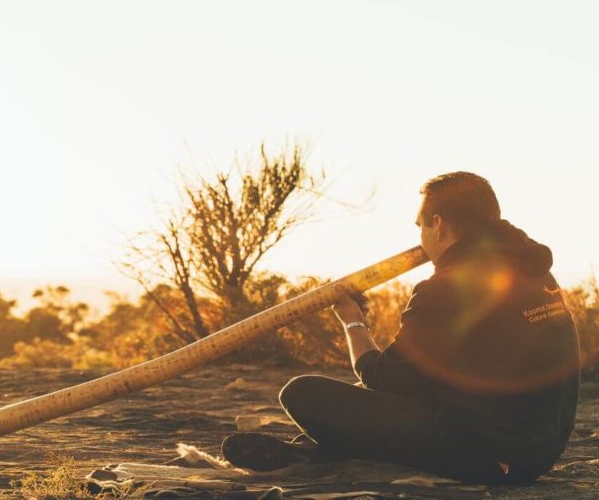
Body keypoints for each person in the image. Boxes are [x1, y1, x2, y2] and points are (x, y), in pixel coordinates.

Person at [221, 172, 580, 484]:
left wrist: (352, 321)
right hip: (536, 452)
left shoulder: (446, 286)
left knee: (301, 392)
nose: (421, 238)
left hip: (487, 454)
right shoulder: (534, 271)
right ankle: (321, 452)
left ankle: (326, 453)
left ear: (437, 224)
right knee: (384, 407)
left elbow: (379, 376)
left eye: (420, 225)